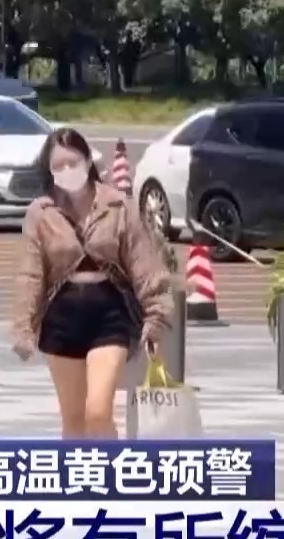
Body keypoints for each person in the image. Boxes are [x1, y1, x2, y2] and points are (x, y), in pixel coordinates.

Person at [14, 127, 174, 438]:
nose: (67, 170)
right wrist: (23, 327)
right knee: (73, 421)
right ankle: (79, 470)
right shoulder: (41, 213)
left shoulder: (118, 206)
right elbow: (30, 274)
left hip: (109, 315)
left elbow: (143, 262)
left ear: (88, 162)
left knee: (98, 412)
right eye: (58, 165)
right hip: (61, 317)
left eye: (73, 162)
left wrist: (156, 315)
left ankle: (111, 467)